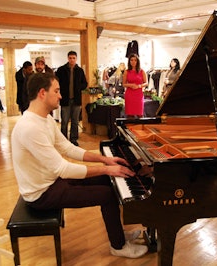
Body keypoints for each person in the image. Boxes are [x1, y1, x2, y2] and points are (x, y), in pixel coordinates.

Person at [11, 72, 148, 259]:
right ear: (42, 93)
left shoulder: (44, 118)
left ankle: (118, 235)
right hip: (41, 194)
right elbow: (64, 169)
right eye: (57, 91)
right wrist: (108, 168)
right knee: (108, 194)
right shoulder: (30, 127)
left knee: (109, 181)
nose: (60, 95)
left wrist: (104, 160)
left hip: (51, 182)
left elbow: (67, 148)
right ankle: (118, 246)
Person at [56, 51, 88, 146]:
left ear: (76, 59)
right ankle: (63, 139)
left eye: (73, 58)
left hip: (76, 99)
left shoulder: (80, 70)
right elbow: (56, 82)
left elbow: (85, 83)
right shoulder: (61, 70)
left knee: (75, 121)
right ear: (67, 58)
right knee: (64, 121)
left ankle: (74, 139)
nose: (72, 60)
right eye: (70, 58)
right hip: (65, 99)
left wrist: (79, 88)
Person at [122, 54, 148, 119]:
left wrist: (139, 86)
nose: (133, 62)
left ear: (137, 61)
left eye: (135, 60)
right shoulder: (126, 71)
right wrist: (130, 85)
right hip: (129, 94)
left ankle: (140, 129)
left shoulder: (142, 71)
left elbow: (146, 83)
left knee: (140, 115)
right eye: (131, 60)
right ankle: (130, 128)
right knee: (130, 115)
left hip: (138, 94)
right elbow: (124, 84)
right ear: (129, 61)